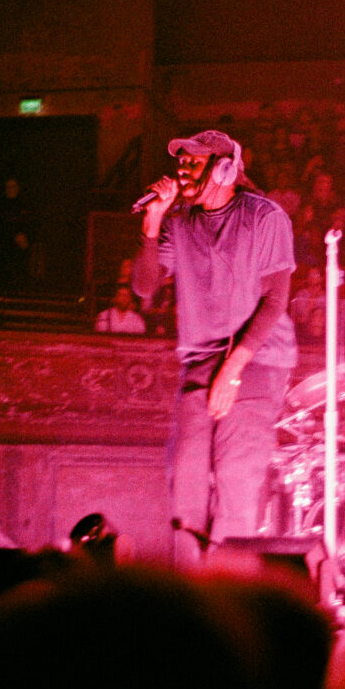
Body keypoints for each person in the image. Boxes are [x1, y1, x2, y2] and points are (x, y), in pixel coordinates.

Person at [132, 130, 297, 570]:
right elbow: (144, 287)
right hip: (200, 361)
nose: (182, 170)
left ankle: (230, 598)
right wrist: (152, 226)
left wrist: (234, 369)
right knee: (185, 480)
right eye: (180, 163)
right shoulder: (180, 221)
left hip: (257, 360)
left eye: (194, 162)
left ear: (225, 168)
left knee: (234, 480)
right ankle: (192, 600)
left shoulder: (265, 217)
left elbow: (275, 301)